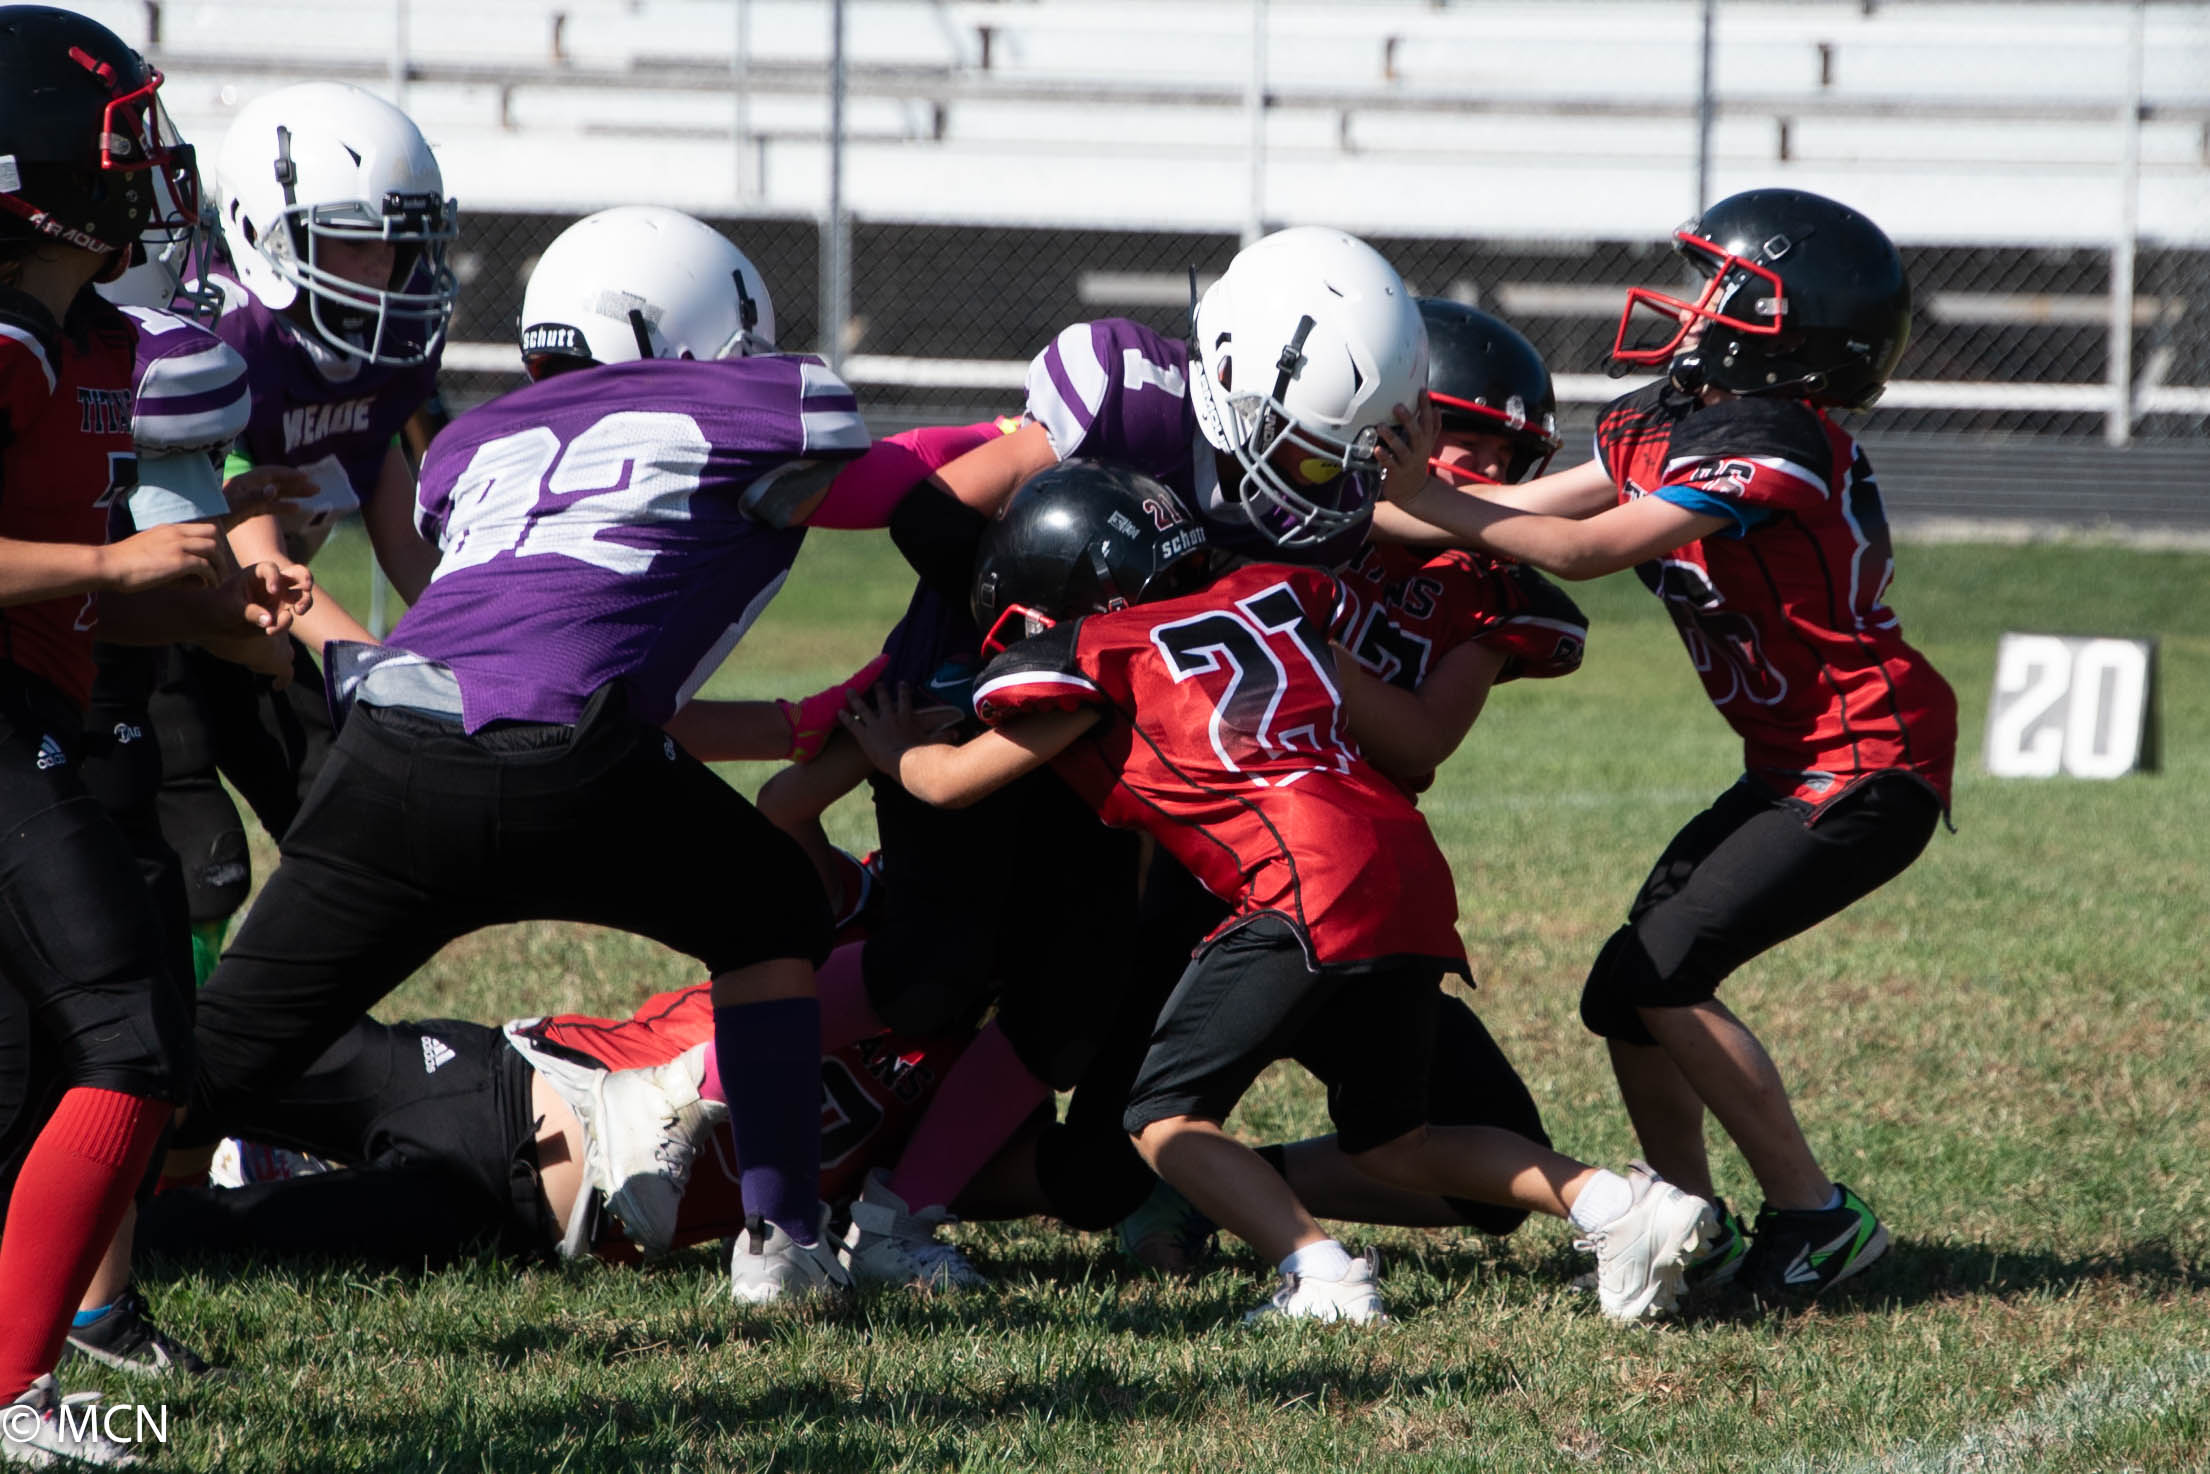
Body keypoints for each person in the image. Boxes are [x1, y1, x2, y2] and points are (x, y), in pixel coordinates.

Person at [172, 204, 880, 1310]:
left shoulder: (469, 445)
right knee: (774, 910)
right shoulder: (748, 402)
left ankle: (88, 1222)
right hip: (569, 764)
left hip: (393, 754)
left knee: (214, 1058)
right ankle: (782, 1241)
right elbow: (831, 422)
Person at [842, 461, 1715, 1326]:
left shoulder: (1100, 656)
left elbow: (951, 783)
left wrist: (892, 751)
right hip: (1403, 867)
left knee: (1164, 1119)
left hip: (1297, 884)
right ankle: (1621, 1206)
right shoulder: (1273, 597)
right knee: (1394, 1141)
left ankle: (1322, 1276)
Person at [1379, 188, 1956, 1301]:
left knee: (1666, 968)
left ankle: (1818, 1218)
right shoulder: (1669, 414)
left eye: (1721, 289)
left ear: (1785, 328)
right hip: (1794, 762)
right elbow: (1533, 508)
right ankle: (1693, 1223)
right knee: (1624, 986)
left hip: (1868, 759)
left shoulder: (1777, 439)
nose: (1692, 307)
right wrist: (1328, 512)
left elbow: (1582, 547)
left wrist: (1424, 496)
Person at [0, 8, 309, 1462]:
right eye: (129, 139)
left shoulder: (97, 338)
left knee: (38, 1062)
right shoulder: (10, 341)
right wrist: (114, 565)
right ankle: (16, 1391)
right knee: (125, 1032)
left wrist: (213, 587)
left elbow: (88, 588)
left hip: (38, 709)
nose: (156, 168)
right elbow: (78, 567)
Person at [154, 82, 460, 983]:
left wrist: (465, 638)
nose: (386, 265)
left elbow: (390, 498)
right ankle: (173, 1048)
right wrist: (379, 667)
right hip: (162, 622)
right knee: (196, 855)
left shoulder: (387, 337)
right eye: (356, 239)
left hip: (266, 618)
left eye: (399, 241)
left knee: (357, 828)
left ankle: (277, 1035)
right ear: (266, 233)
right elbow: (252, 545)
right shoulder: (223, 335)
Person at [139, 983, 969, 1279]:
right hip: (497, 1079)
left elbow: (1037, 1172)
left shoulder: (968, 1096)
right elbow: (792, 815)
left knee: (179, 1239)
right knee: (176, 1052)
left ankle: (254, 1172)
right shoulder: (868, 931)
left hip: (508, 1223)